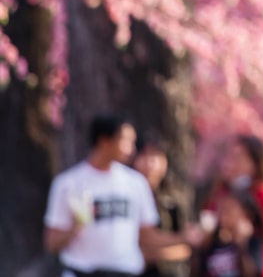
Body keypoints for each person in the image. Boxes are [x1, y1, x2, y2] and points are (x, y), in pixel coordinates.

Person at [44, 114, 187, 277]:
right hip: (81, 272)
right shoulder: (69, 183)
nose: (132, 149)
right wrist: (75, 227)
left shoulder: (135, 183)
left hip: (125, 272)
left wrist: (184, 239)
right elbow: (52, 243)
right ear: (105, 141)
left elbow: (147, 235)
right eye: (126, 141)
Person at [200, 136, 263, 277]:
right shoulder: (222, 192)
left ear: (256, 163)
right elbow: (207, 224)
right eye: (231, 157)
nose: (233, 163)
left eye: (240, 157)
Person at [133, 135, 191, 277]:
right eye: (144, 156)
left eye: (156, 156)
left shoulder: (173, 200)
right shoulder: (125, 195)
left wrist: (153, 254)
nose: (149, 164)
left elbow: (186, 244)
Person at [191, 191, 263, 277]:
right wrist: (199, 249)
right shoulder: (212, 242)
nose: (223, 213)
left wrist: (241, 245)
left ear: (245, 213)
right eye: (221, 208)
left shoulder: (252, 242)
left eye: (229, 209)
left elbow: (253, 272)